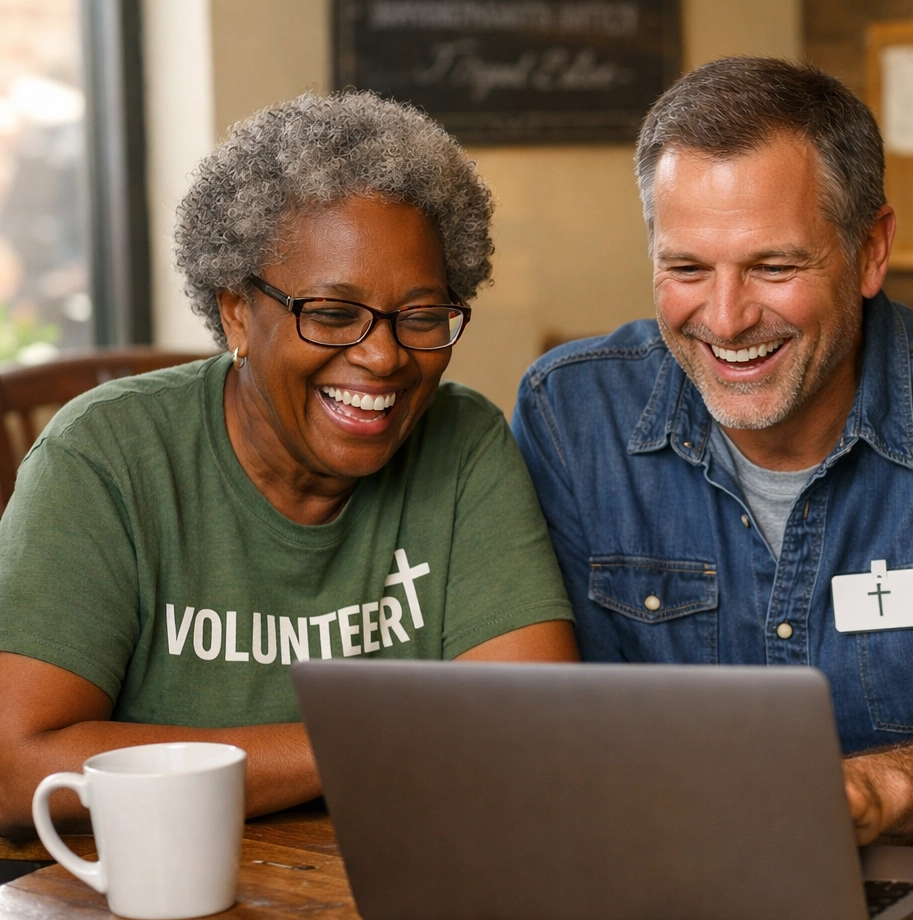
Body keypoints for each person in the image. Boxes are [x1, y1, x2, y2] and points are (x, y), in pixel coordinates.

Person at [513, 58, 913, 845]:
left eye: (773, 266)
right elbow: (548, 720)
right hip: (657, 874)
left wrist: (871, 792)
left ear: (870, 250)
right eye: (687, 268)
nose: (726, 320)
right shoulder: (569, 414)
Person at [0, 93, 578, 832]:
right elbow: (20, 771)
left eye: (422, 317)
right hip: (150, 914)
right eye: (333, 313)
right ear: (238, 312)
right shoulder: (106, 455)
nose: (383, 356)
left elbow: (531, 730)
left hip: (395, 892)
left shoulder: (462, 441)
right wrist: (361, 745)